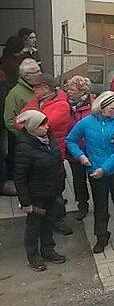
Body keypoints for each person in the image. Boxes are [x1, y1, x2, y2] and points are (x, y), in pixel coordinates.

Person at [66, 91, 114, 253]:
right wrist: (80, 156)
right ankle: (101, 237)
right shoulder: (86, 122)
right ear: (102, 108)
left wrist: (104, 169)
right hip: (96, 172)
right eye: (112, 109)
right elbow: (70, 140)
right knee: (100, 206)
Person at [15, 110, 66, 271]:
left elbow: (57, 162)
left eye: (46, 123)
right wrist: (26, 202)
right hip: (36, 195)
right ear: (32, 128)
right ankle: (33, 255)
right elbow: (20, 177)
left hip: (52, 191)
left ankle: (48, 250)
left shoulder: (49, 138)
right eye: (42, 125)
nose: (47, 127)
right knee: (34, 226)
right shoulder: (24, 148)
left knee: (49, 222)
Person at [65, 76, 94, 220]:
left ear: (82, 91)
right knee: (78, 179)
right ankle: (82, 204)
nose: (68, 91)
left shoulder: (94, 105)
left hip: (92, 149)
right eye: (68, 88)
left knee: (94, 178)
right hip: (74, 149)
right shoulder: (65, 105)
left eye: (72, 89)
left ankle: (100, 204)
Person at [4, 58, 41, 135]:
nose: (40, 73)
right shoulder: (14, 94)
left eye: (40, 70)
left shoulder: (42, 87)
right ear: (26, 76)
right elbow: (9, 121)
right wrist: (26, 135)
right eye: (36, 72)